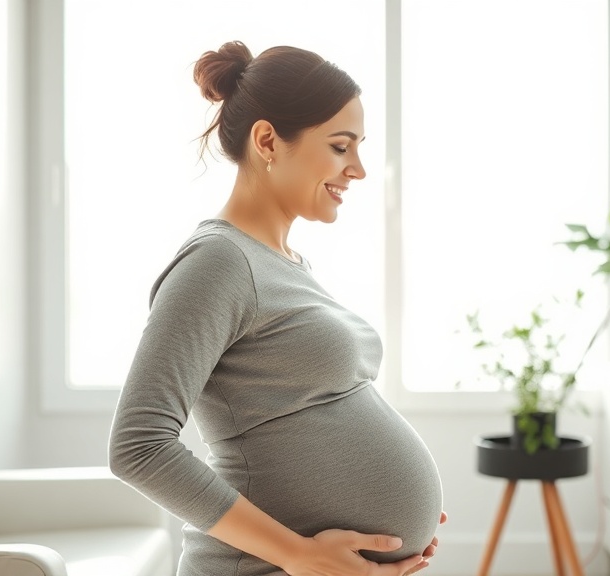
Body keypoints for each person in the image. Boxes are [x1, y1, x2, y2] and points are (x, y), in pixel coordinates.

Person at [108, 40, 445, 576]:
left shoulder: (283, 262)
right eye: (340, 146)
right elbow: (138, 447)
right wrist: (299, 554)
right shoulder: (218, 262)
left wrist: (403, 521)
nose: (357, 168)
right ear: (267, 140)